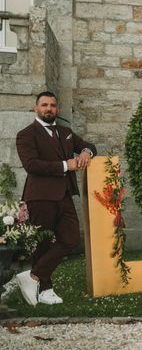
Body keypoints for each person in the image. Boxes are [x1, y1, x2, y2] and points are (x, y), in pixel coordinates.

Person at [14, 91, 96, 305]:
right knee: (42, 244)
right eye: (44, 105)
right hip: (40, 196)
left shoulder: (65, 132)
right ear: (36, 108)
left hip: (65, 195)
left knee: (71, 239)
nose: (48, 108)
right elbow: (31, 165)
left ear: (57, 109)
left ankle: (32, 276)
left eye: (52, 105)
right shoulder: (26, 134)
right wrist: (64, 165)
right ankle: (45, 291)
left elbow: (89, 145)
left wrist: (86, 151)